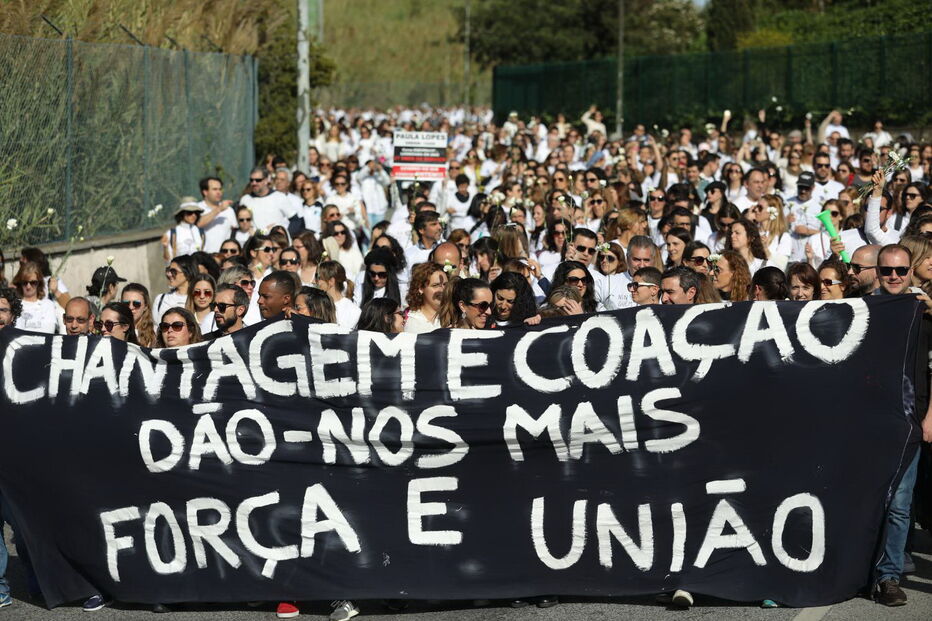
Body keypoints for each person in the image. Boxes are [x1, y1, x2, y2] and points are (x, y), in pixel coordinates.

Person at [872, 243, 931, 607]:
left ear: (911, 272)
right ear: (877, 273)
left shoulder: (923, 314)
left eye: (901, 271)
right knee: (865, 498)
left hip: (910, 420)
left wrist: (930, 416)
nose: (894, 276)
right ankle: (860, 568)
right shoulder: (863, 310)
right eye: (886, 271)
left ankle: (889, 576)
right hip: (867, 421)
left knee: (900, 503)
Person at [239, 167, 297, 231]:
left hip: (274, 239)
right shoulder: (245, 199)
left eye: (258, 180)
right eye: (251, 180)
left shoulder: (279, 197)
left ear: (266, 180)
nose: (254, 183)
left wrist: (284, 234)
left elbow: (295, 220)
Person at [13, 261, 58, 333]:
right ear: (19, 283)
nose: (28, 286)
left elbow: (48, 333)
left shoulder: (47, 305)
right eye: (25, 282)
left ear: (39, 283)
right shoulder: (13, 305)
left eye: (33, 282)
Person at [403, 262, 448, 334]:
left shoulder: (454, 316)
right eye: (435, 285)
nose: (442, 290)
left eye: (445, 284)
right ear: (420, 288)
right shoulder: (409, 319)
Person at [196, 176, 237, 254]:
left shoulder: (229, 210)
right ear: (205, 192)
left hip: (224, 255)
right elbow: (198, 223)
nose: (219, 192)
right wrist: (218, 209)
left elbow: (235, 231)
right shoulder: (197, 208)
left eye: (220, 189)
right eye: (215, 189)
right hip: (204, 256)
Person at [315, 261, 360, 330]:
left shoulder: (353, 310)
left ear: (331, 281)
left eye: (318, 278)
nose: (314, 281)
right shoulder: (315, 303)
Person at [154, 255, 197, 323]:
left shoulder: (197, 299)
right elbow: (156, 326)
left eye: (173, 271)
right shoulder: (160, 299)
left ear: (188, 273)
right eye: (168, 270)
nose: (169, 274)